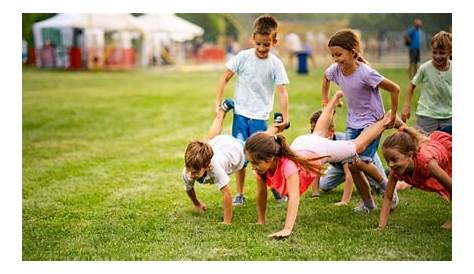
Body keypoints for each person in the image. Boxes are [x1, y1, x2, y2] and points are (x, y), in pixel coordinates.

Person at [245, 91, 392, 238]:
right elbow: (261, 194)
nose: (253, 167)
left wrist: (287, 229)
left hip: (316, 149)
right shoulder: (262, 168)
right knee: (318, 133)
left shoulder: (288, 166)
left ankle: (387, 119)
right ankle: (335, 98)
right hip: (303, 144)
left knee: (357, 146)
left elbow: (294, 198)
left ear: (269, 158)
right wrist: (261, 220)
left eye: (255, 163)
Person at [214, 14, 290, 205]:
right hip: (240, 116)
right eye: (259, 44)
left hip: (259, 118)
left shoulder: (276, 64)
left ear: (275, 41)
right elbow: (224, 78)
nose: (262, 49)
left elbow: (282, 93)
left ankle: (275, 189)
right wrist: (218, 104)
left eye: (267, 45)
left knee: (263, 155)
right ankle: (240, 194)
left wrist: (285, 117)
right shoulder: (242, 58)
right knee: (240, 155)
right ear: (253, 39)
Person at [322, 29, 400, 213]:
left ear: (353, 52)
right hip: (353, 123)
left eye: (339, 54)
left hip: (372, 122)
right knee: (351, 165)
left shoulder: (366, 73)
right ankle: (368, 204)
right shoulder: (336, 70)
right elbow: (325, 77)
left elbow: (395, 89)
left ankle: (387, 187)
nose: (336, 59)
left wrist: (393, 115)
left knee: (362, 162)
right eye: (333, 55)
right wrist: (325, 100)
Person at [379, 120, 452, 230]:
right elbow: (388, 197)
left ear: (409, 155)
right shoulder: (396, 171)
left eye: (394, 159)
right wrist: (381, 226)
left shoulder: (428, 164)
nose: (390, 165)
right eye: (387, 160)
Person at [308, 109, 387, 205]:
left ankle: (400, 181)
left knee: (379, 187)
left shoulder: (342, 144)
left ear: (332, 131)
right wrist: (315, 194)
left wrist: (344, 201)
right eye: (313, 130)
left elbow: (349, 173)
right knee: (324, 185)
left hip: (364, 161)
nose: (315, 133)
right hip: (340, 167)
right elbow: (315, 168)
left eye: (319, 130)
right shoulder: (316, 143)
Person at [182, 105, 245, 225]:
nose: (190, 175)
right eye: (189, 170)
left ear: (206, 166)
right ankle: (222, 113)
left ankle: (274, 128)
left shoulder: (215, 167)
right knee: (210, 139)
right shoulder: (188, 170)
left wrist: (227, 221)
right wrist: (197, 204)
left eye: (194, 172)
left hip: (237, 150)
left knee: (257, 144)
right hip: (219, 143)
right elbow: (189, 187)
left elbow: (226, 193)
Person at [401, 31, 452, 134]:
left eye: (442, 53)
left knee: (448, 146)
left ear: (450, 52)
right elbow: (412, 85)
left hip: (448, 116)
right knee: (424, 144)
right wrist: (406, 106)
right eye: (434, 52)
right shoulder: (425, 68)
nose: (437, 56)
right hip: (427, 115)